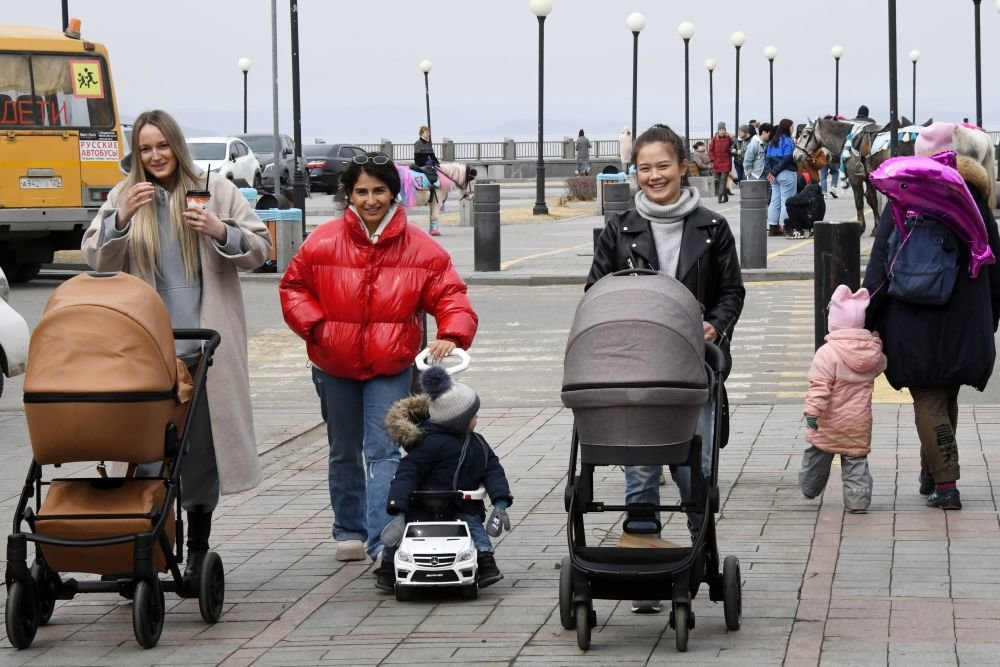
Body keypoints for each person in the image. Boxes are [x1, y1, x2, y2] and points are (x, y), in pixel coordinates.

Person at [81, 109, 272, 589]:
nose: (155, 156)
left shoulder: (215, 188)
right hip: (147, 351)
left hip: (206, 349)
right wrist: (121, 220)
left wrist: (218, 229)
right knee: (146, 453)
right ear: (136, 155)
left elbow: (262, 248)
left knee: (202, 453)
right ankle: (145, 548)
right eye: (145, 149)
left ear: (176, 146)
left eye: (161, 146)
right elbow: (94, 257)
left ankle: (198, 547)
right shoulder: (126, 196)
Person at [279, 152, 478, 563]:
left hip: (390, 366)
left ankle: (381, 541)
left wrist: (451, 333)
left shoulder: (420, 247)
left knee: (384, 450)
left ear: (393, 194)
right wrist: (318, 329)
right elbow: (294, 287)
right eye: (361, 191)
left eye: (379, 191)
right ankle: (348, 529)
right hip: (333, 365)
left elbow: (450, 294)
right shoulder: (323, 241)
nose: (371, 200)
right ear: (348, 195)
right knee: (343, 450)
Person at [588, 123, 745, 614]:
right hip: (635, 367)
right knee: (641, 464)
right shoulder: (620, 228)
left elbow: (731, 292)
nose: (654, 176)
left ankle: (699, 555)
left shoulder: (712, 228)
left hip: (693, 368)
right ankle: (643, 562)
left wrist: (714, 329)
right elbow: (596, 292)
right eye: (645, 167)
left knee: (692, 466)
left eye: (663, 166)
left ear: (682, 166)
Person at [862, 122, 1000, 511]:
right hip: (964, 320)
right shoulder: (972, 198)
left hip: (911, 321)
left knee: (928, 398)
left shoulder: (904, 198)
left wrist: (865, 317)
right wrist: (991, 316)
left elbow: (879, 269)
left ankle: (947, 484)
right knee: (945, 393)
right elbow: (995, 266)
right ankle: (931, 471)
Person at [379, 364, 513, 591]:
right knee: (404, 532)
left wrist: (500, 500)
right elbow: (407, 472)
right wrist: (398, 507)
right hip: (422, 505)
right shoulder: (428, 443)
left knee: (474, 527)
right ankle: (388, 567)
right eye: (473, 415)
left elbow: (492, 468)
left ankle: (486, 562)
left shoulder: (477, 443)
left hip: (461, 503)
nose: (477, 418)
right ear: (459, 421)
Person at [801, 285, 887, 513]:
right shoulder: (872, 353)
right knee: (855, 459)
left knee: (818, 453)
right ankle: (858, 502)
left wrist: (812, 413)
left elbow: (819, 387)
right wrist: (876, 344)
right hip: (859, 421)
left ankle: (809, 488)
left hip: (829, 421)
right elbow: (881, 365)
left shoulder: (827, 353)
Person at [764, 118, 797, 236]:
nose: (793, 129)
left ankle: (773, 227)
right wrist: (776, 171)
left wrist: (770, 172)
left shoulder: (772, 141)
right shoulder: (788, 141)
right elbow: (787, 158)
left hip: (773, 176)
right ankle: (786, 226)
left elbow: (767, 159)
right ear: (787, 128)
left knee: (774, 201)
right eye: (792, 127)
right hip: (786, 173)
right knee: (786, 201)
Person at [412, 126, 441, 235]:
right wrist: (427, 164)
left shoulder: (429, 143)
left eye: (429, 132)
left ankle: (434, 197)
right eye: (426, 132)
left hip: (430, 166)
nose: (428, 133)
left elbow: (433, 156)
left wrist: (437, 164)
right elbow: (418, 158)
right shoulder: (418, 143)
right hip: (422, 167)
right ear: (422, 133)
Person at [709, 121, 734, 203]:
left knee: (723, 180)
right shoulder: (714, 139)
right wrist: (713, 159)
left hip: (726, 162)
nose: (722, 131)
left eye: (723, 130)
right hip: (717, 163)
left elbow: (733, 146)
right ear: (718, 131)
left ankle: (719, 196)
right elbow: (711, 150)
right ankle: (725, 196)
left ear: (725, 130)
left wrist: (732, 138)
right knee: (721, 181)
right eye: (720, 130)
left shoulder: (728, 139)